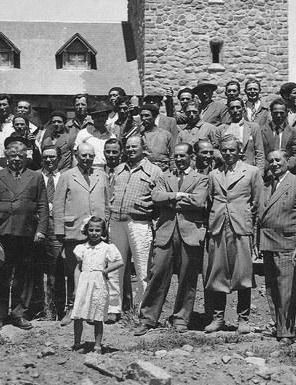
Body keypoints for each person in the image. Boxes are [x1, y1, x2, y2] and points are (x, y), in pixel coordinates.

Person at [135, 143, 209, 335]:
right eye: (176, 156)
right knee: (157, 272)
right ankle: (148, 318)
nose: (179, 159)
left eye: (183, 155)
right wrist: (178, 195)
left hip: (190, 232)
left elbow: (198, 201)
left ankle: (181, 319)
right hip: (166, 231)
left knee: (187, 277)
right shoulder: (164, 176)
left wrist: (169, 201)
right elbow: (155, 197)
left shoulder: (201, 178)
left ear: (191, 157)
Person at [0, 135, 49, 331]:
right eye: (13, 155)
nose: (17, 159)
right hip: (3, 231)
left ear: (26, 157)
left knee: (24, 274)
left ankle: (19, 313)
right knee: (1, 274)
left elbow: (43, 206)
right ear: (6, 156)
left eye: (20, 155)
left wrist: (41, 230)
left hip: (27, 232)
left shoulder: (36, 176)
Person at [204, 137, 262, 333]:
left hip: (241, 226)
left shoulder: (252, 172)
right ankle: (218, 317)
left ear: (240, 151)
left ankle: (243, 319)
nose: (228, 153)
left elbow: (256, 202)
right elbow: (210, 200)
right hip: (218, 226)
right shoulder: (214, 174)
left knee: (243, 273)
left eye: (232, 150)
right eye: (224, 150)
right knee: (217, 272)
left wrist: (251, 226)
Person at [255, 149, 296, 341]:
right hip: (267, 242)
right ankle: (278, 327)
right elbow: (259, 215)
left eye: (278, 160)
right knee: (271, 289)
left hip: (287, 243)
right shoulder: (266, 185)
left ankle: (287, 331)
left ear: (288, 161)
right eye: (270, 161)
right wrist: (257, 240)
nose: (274, 164)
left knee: (286, 289)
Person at [106, 135, 161, 322]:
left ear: (143, 149)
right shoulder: (118, 169)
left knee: (142, 269)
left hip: (139, 223)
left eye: (134, 147)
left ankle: (142, 310)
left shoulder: (154, 171)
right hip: (116, 222)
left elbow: (158, 200)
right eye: (128, 147)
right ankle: (113, 309)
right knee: (115, 267)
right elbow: (110, 196)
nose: (130, 150)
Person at [54, 143, 110, 325]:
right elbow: (58, 205)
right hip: (74, 231)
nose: (87, 158)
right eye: (84, 155)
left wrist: (105, 227)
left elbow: (107, 203)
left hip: (97, 232)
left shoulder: (101, 176)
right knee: (74, 271)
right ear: (76, 155)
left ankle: (92, 310)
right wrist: (60, 230)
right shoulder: (66, 176)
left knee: (95, 271)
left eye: (90, 155)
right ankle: (72, 308)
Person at [70, 217, 124, 355]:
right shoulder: (82, 248)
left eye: (97, 230)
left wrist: (106, 270)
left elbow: (120, 262)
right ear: (86, 230)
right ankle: (77, 343)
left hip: (99, 283)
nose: (94, 233)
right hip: (84, 282)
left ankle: (97, 346)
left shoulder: (107, 248)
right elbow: (78, 268)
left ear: (103, 231)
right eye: (91, 230)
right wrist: (76, 287)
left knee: (98, 315)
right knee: (78, 315)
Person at [31, 144, 65, 320]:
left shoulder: (66, 176)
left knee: (56, 269)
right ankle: (36, 309)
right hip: (36, 226)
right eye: (45, 157)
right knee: (34, 268)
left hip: (57, 226)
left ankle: (57, 309)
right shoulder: (33, 175)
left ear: (59, 158)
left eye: (52, 157)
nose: (49, 160)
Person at [218, 97, 266, 174]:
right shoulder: (221, 129)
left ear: (243, 109)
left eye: (238, 107)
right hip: (228, 170)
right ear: (228, 110)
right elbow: (216, 150)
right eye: (232, 108)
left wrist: (260, 173)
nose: (235, 110)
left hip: (249, 169)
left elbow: (259, 152)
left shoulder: (253, 128)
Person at [259, 99, 296, 175]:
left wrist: (285, 166)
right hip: (267, 171)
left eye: (281, 113)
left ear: (286, 113)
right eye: (275, 113)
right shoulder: (261, 130)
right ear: (271, 112)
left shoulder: (293, 131)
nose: (278, 116)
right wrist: (269, 167)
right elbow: (259, 153)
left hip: (287, 171)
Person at [74, 101, 117, 167]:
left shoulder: (112, 136)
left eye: (102, 116)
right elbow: (75, 155)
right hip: (88, 168)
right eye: (97, 116)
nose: (100, 119)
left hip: (106, 169)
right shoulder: (83, 133)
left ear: (107, 117)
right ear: (92, 117)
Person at [139, 103, 175, 170]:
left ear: (154, 116)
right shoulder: (139, 136)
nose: (144, 118)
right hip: (144, 169)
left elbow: (172, 155)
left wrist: (173, 169)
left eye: (147, 116)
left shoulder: (166, 134)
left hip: (163, 169)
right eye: (142, 116)